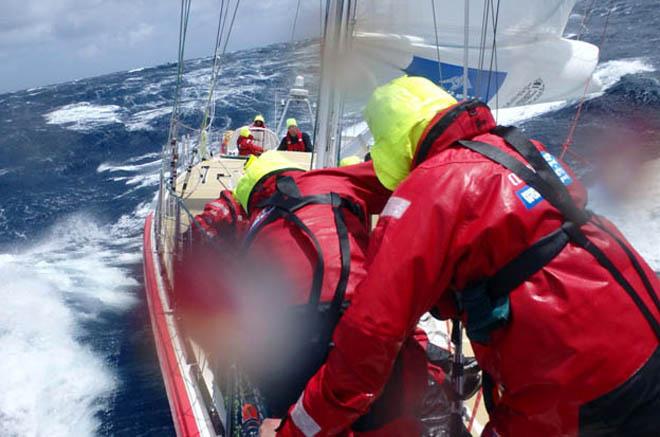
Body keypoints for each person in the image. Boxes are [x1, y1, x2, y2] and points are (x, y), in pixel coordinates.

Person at [273, 76, 660, 436]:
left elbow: (370, 335)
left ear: (393, 142)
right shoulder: (519, 148)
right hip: (644, 320)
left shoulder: (430, 188)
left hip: (579, 376)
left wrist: (300, 426)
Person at [235, 151, 460, 435]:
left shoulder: (253, 227)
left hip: (287, 335)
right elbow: (399, 177)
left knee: (296, 418)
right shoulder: (327, 180)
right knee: (390, 407)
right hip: (355, 307)